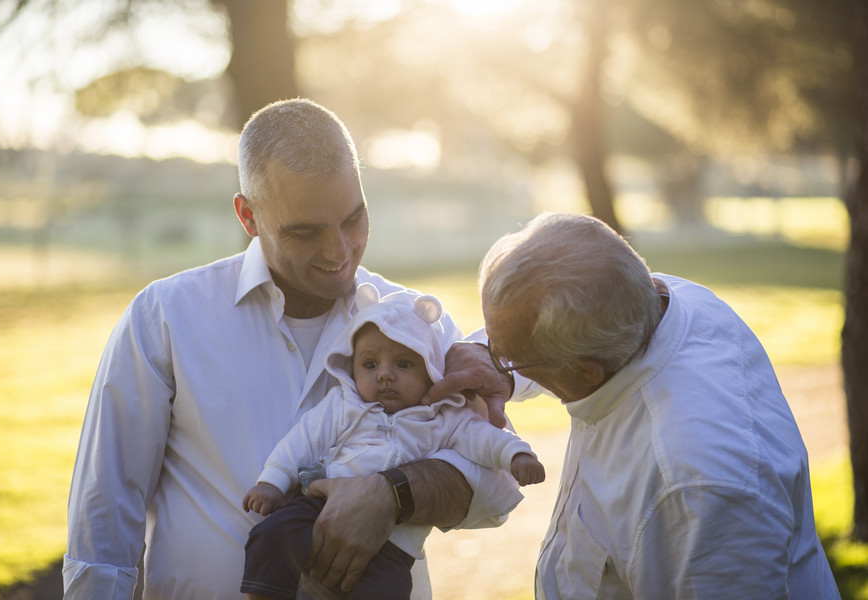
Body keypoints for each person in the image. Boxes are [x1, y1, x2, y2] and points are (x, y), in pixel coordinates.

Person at [63, 98, 534, 600]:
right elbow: (104, 517)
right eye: (305, 231)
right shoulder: (165, 317)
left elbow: (494, 492)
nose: (339, 251)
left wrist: (392, 494)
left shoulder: (411, 322)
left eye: (353, 219)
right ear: (248, 215)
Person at [476, 212, 841, 599]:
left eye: (506, 357)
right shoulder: (656, 302)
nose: (497, 359)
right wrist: (491, 361)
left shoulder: (696, 489)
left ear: (587, 372)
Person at [240, 284, 545, 599]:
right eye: (370, 365)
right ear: (352, 366)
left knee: (388, 588)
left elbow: (487, 438)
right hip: (317, 506)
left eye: (403, 364)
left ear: (431, 369)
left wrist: (517, 455)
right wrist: (272, 482)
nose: (385, 375)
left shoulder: (444, 418)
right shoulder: (343, 405)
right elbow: (300, 442)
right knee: (271, 534)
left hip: (393, 539)